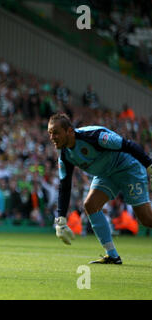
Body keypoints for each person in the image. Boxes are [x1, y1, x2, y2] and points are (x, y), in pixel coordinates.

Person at [48, 113, 152, 264]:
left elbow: (128, 145)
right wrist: (61, 220)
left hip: (127, 168)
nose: (52, 137)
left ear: (69, 131)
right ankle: (112, 256)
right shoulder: (64, 155)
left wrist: (149, 166)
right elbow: (65, 186)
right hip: (106, 175)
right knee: (90, 205)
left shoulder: (94, 136)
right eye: (50, 133)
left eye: (56, 132)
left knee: (146, 220)